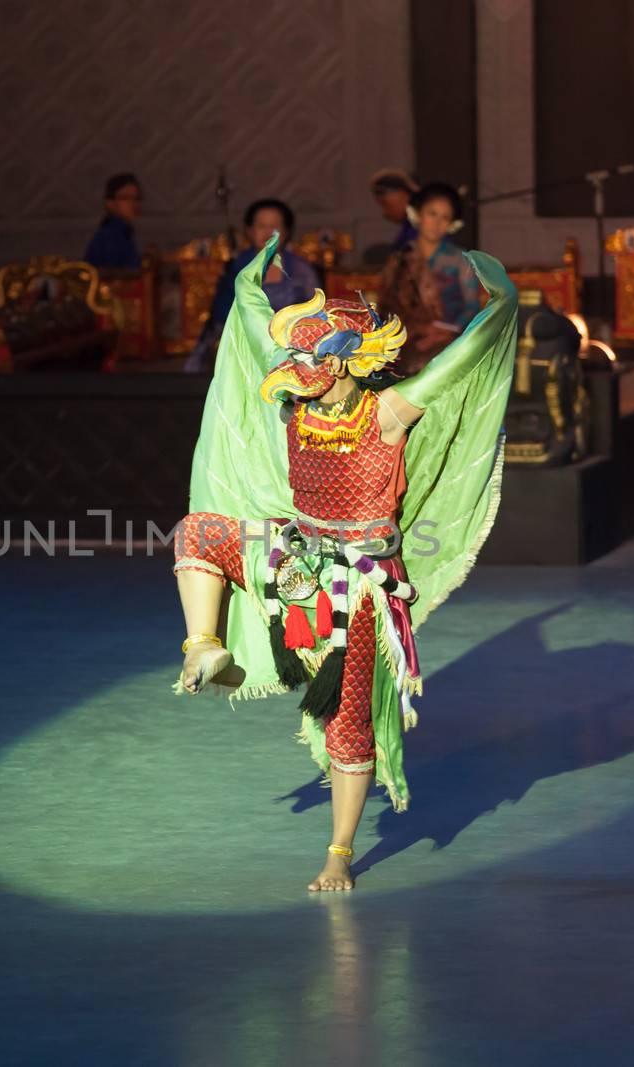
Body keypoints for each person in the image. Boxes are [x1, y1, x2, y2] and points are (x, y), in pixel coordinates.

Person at [170, 233, 517, 891]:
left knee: (348, 720)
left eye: (316, 354)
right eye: (298, 353)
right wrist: (251, 289)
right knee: (199, 532)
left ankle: (339, 851)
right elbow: (253, 338)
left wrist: (496, 310)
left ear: (355, 361)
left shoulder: (386, 414)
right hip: (293, 555)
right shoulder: (296, 406)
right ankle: (204, 644)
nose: (301, 364)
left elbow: (457, 366)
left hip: (358, 585)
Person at [182, 198, 320, 372]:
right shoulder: (237, 268)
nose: (268, 232)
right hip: (243, 350)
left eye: (275, 226)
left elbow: (317, 315)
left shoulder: (302, 270)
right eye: (261, 226)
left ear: (286, 231)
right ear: (249, 231)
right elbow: (220, 317)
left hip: (292, 350)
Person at [379, 181, 483, 374]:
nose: (437, 223)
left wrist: (447, 330)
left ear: (452, 224)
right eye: (432, 214)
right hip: (406, 339)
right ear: (418, 214)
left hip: (451, 340)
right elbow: (387, 307)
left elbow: (472, 307)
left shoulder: (460, 260)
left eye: (445, 217)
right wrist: (417, 330)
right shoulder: (400, 258)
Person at [83, 173, 143, 270]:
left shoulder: (125, 234)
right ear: (110, 203)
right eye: (125, 198)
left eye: (136, 198)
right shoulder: (109, 236)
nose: (133, 204)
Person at [370, 168, 418, 252]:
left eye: (385, 204)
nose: (384, 213)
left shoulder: (422, 229)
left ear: (404, 195)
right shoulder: (407, 227)